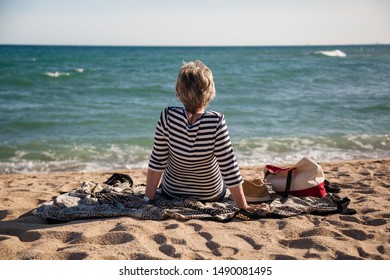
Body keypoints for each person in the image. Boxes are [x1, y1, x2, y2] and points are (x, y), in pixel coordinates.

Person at [144, 60, 252, 210]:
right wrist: (243, 206)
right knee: (224, 178)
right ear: (210, 92)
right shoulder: (216, 121)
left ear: (179, 91)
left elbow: (158, 160)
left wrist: (147, 199)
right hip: (210, 194)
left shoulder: (167, 116)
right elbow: (229, 167)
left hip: (172, 192)